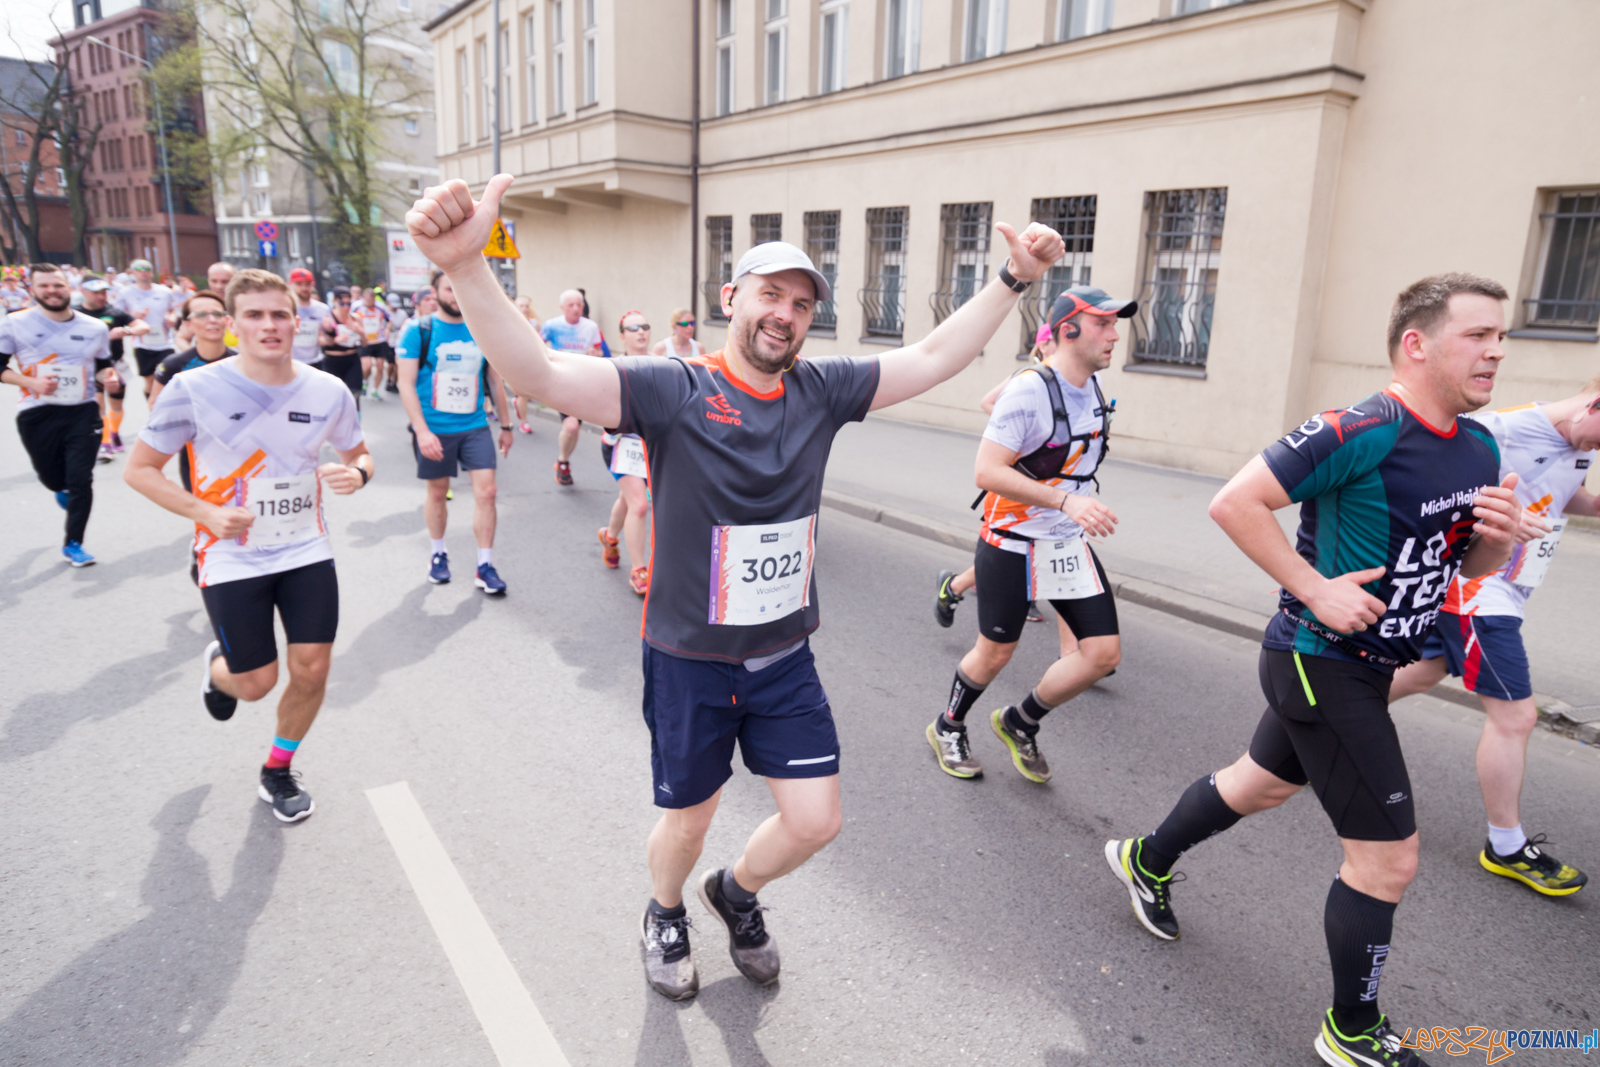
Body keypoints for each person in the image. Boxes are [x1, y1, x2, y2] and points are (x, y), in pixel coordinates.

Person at [405, 174, 1066, 1002]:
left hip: (784, 657)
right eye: (770, 293)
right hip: (690, 658)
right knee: (690, 818)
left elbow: (933, 357)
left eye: (800, 302)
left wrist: (1012, 281)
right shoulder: (673, 389)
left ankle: (738, 892)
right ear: (732, 297)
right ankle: (666, 909)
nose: (784, 312)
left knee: (816, 820)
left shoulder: (822, 392)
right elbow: (537, 371)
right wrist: (468, 267)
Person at [1102, 274, 1527, 1067]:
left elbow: (1459, 562)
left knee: (1256, 784)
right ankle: (1352, 1028)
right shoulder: (1361, 426)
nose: (1497, 350)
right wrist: (1314, 588)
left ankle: (1144, 857)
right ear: (1417, 343)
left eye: (1501, 336)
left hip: (1371, 666)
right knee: (1388, 857)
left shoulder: (1479, 445)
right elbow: (1235, 501)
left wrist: (1500, 544)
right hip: (1318, 660)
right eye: (1478, 335)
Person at [124, 269, 373, 824]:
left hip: (305, 548)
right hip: (230, 553)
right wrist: (206, 512)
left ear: (296, 320)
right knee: (256, 684)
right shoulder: (194, 388)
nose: (270, 325)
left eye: (280, 314)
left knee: (311, 670)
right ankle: (220, 668)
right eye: (255, 315)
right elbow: (139, 471)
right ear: (231, 325)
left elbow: (360, 453)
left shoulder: (327, 388)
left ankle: (277, 770)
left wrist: (358, 475)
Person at [1383, 383, 1600, 898]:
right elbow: (1439, 488)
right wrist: (1503, 518)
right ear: (1595, 405)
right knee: (1516, 716)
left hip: (1505, 588)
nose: (1596, 452)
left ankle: (1311, 724)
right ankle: (1505, 845)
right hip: (1478, 592)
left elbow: (1569, 497)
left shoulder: (1578, 442)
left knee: (1423, 672)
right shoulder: (1500, 430)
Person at [927, 287, 1132, 782]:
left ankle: (1020, 721)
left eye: (1114, 324)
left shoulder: (1091, 387)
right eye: (1103, 324)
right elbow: (987, 472)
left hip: (1064, 542)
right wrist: (1068, 501)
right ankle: (947, 725)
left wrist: (1072, 508)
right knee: (995, 652)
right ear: (1068, 330)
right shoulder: (1029, 389)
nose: (1114, 334)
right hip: (1012, 541)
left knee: (1101, 655)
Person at [935, 323, 1070, 632]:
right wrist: (1013, 436)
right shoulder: (1028, 378)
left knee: (1037, 546)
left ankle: (1083, 648)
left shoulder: (1066, 384)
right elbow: (987, 402)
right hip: (1018, 481)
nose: (1056, 346)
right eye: (1051, 341)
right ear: (1042, 346)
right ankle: (955, 587)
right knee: (1009, 549)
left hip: (1049, 483)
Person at [395, 269, 513, 595]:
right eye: (449, 289)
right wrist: (421, 432)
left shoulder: (482, 330)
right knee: (437, 493)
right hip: (435, 429)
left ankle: (485, 565)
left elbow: (494, 380)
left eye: (460, 289)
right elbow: (404, 384)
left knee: (487, 493)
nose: (455, 295)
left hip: (475, 426)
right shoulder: (418, 331)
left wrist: (505, 425)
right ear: (435, 293)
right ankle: (438, 555)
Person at [0, 263, 115, 566]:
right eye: (44, 286)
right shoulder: (14, 323)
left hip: (83, 411)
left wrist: (109, 378)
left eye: (58, 285)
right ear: (33, 290)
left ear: (70, 287)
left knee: (81, 480)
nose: (52, 291)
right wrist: (31, 382)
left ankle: (73, 543)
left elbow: (104, 365)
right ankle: (60, 489)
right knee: (52, 479)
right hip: (37, 414)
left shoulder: (95, 327)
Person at [598, 310, 655, 594]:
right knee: (640, 505)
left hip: (648, 447)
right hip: (621, 446)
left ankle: (609, 537)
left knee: (627, 498)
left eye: (644, 327)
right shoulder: (612, 368)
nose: (641, 332)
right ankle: (638, 571)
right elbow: (600, 407)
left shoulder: (661, 366)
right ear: (622, 336)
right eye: (633, 328)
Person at [539, 288, 602, 485]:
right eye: (571, 305)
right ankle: (563, 462)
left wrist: (595, 355)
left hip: (583, 383)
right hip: (560, 382)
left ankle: (563, 461)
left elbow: (600, 352)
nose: (576, 309)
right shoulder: (552, 325)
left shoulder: (591, 327)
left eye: (579, 305)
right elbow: (537, 347)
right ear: (562, 308)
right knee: (572, 425)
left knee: (574, 429)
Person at [79, 276, 144, 460]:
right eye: (95, 293)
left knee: (116, 405)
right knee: (98, 405)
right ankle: (105, 443)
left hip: (115, 365)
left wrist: (127, 331)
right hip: (90, 367)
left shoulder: (114, 313)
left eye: (103, 292)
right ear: (83, 292)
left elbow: (143, 326)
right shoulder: (75, 314)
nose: (101, 296)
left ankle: (114, 433)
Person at [115, 258, 184, 401]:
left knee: (168, 377)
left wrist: (171, 318)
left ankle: (166, 405)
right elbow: (118, 315)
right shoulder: (125, 292)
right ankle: (152, 407)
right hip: (142, 343)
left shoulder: (164, 291)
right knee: (150, 381)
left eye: (147, 269)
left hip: (165, 342)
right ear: (133, 273)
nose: (143, 273)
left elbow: (172, 310)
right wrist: (131, 316)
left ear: (152, 272)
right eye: (139, 270)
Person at [149, 290, 235, 404]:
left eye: (218, 314)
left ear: (227, 321)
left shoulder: (241, 363)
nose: (212, 320)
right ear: (188, 325)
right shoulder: (173, 365)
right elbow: (154, 404)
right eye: (201, 315)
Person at [319, 286, 365, 404]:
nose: (346, 307)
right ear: (335, 302)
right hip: (333, 359)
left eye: (349, 304)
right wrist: (335, 339)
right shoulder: (328, 318)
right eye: (342, 304)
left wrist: (359, 331)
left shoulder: (355, 318)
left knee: (355, 394)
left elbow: (365, 343)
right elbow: (320, 341)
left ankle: (355, 420)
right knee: (333, 397)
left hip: (352, 359)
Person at [288, 268, 330, 370]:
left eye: (307, 284)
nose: (304, 288)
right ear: (290, 285)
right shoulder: (284, 308)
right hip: (290, 362)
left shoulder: (322, 309)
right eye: (299, 284)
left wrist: (329, 332)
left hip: (315, 361)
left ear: (312, 285)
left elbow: (326, 339)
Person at [356, 287, 394, 400]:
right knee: (367, 366)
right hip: (364, 341)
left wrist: (387, 329)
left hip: (380, 341)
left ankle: (375, 390)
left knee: (380, 366)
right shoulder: (357, 307)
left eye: (372, 298)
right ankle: (364, 380)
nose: (370, 301)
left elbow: (390, 321)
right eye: (367, 298)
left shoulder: (380, 308)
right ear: (363, 298)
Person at [511, 296, 541, 432]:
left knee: (527, 393)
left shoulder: (535, 324)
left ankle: (518, 403)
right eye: (521, 306)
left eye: (526, 306)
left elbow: (541, 344)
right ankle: (524, 422)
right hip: (516, 362)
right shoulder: (509, 323)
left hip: (532, 362)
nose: (525, 309)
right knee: (522, 393)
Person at [384, 292, 408, 395]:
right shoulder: (384, 312)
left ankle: (395, 383)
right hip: (388, 341)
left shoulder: (402, 313)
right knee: (391, 364)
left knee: (398, 364)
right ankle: (388, 379)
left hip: (399, 341)